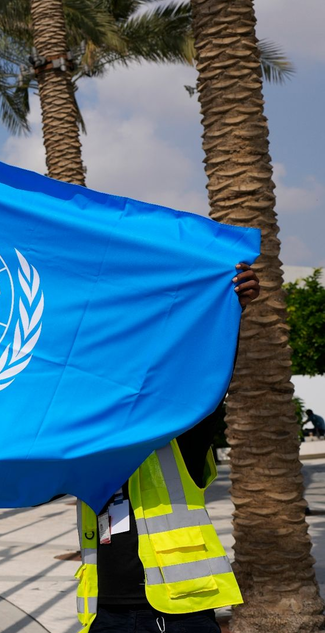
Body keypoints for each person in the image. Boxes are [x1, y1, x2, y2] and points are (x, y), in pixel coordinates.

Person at [73, 263, 260, 633]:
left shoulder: (179, 440)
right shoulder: (87, 451)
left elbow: (210, 384)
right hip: (104, 613)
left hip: (178, 613)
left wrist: (231, 313)